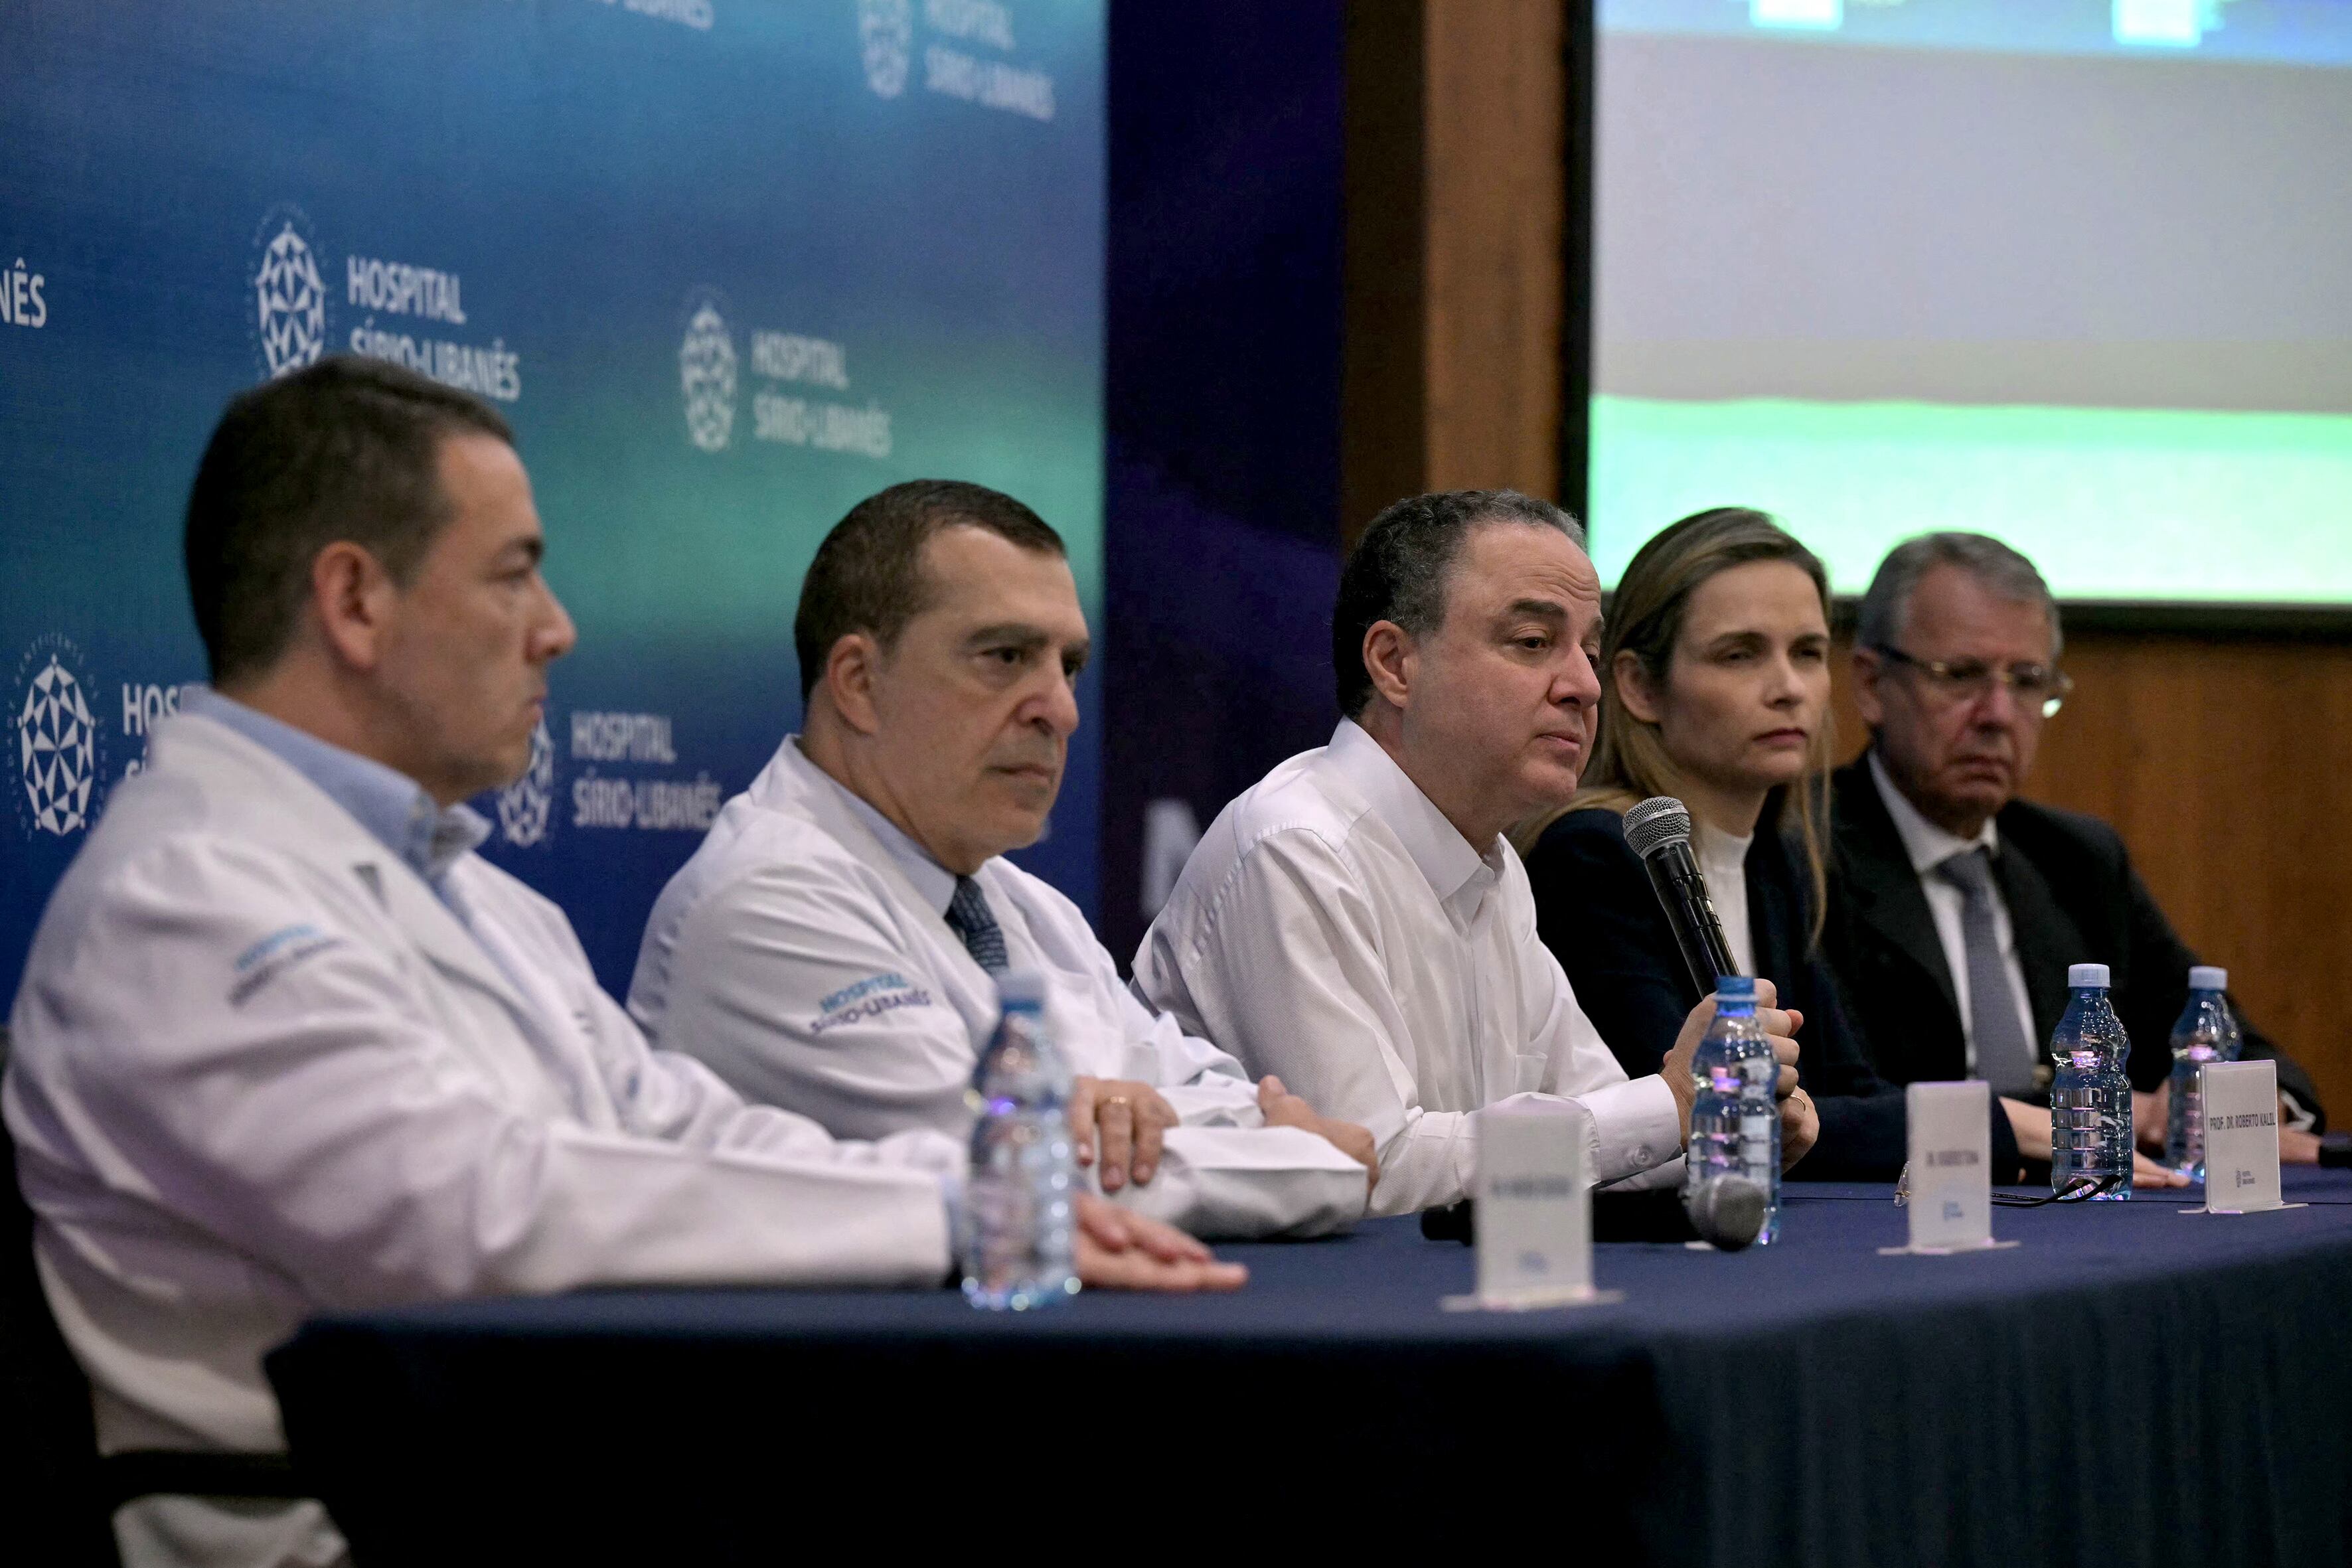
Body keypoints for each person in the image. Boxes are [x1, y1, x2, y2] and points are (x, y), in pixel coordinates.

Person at [1, 360, 1237, 1568]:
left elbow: (675, 1124)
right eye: (513, 575)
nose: (557, 629)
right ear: (354, 602)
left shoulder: (473, 892)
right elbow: (474, 1214)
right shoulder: (187, 897)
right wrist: (949, 1212)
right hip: (343, 1524)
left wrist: (999, 1204)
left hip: (530, 1478)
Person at [628, 481, 1373, 1239]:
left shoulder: (1018, 901)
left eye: (1068, 664)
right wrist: (1314, 1162)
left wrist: (1172, 1119)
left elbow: (1206, 1088)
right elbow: (1024, 1179)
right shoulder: (767, 901)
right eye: (1006, 656)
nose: (1061, 709)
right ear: (857, 682)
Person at [1133, 489, 1820, 1217]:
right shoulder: (1295, 849)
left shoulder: (1493, 865)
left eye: (1589, 650)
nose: (1585, 687)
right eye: (1532, 643)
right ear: (1395, 663)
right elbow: (1372, 1167)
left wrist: (1712, 1128)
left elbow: (1594, 1127)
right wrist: (1675, 1104)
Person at [1518, 507, 2094, 1184]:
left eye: (1808, 654)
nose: (1789, 688)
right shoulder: (1595, 857)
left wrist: (1973, 1122)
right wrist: (1988, 1122)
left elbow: (1845, 1089)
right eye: (1741, 654)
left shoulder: (1777, 858)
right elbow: (1702, 1117)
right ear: (1641, 687)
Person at [1827, 531, 2324, 1167]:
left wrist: (2235, 1099)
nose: (1999, 714)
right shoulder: (1806, 857)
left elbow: (2238, 1045)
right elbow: (1834, 1104)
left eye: (2028, 680)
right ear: (1871, 686)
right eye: (1962, 676)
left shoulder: (2076, 859)